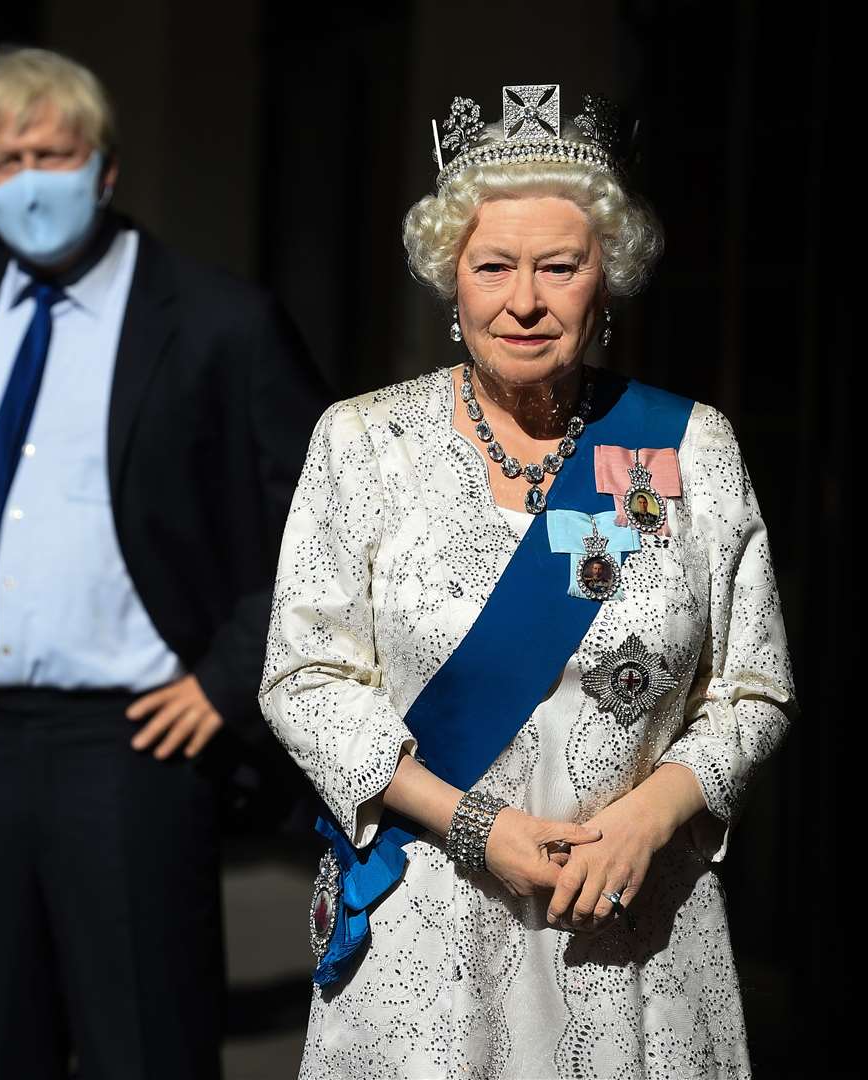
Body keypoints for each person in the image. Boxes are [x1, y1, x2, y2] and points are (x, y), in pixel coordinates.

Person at [0, 47, 329, 1080]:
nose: (30, 179)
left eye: (54, 153)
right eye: (4, 161)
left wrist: (226, 680)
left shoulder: (220, 323)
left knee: (148, 1045)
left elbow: (324, 529)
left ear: (107, 166)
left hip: (136, 748)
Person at [258, 85, 795, 1077]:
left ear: (608, 277)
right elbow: (306, 677)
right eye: (493, 266)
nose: (525, 301)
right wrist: (474, 825)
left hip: (633, 923)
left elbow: (752, 687)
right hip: (432, 920)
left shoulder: (685, 445)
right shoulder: (363, 442)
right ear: (450, 277)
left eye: (561, 265)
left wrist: (656, 810)